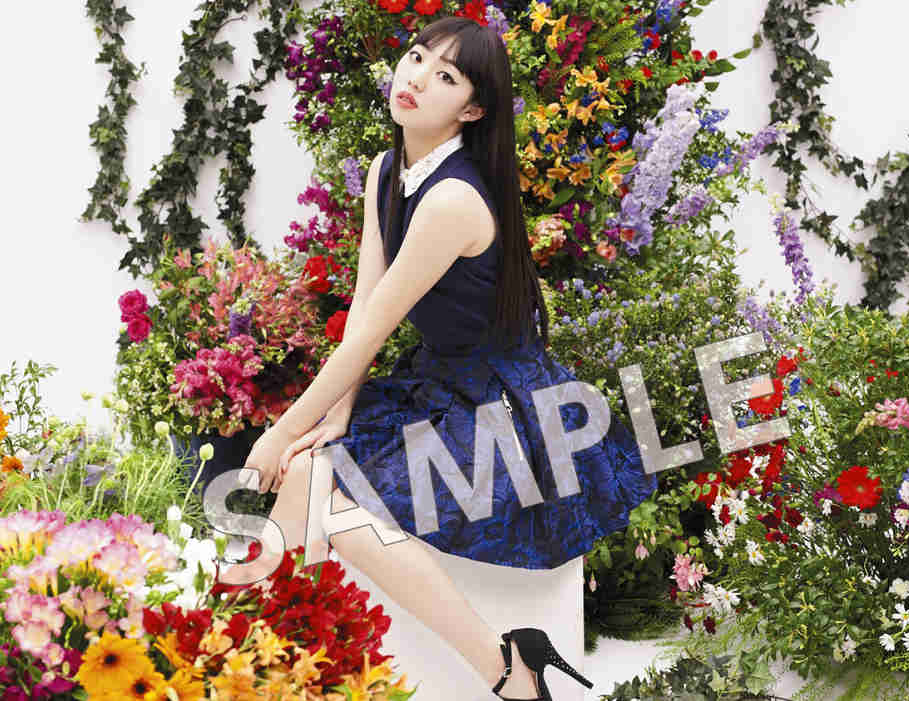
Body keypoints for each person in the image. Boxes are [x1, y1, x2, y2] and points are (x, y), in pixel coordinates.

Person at [223, 16, 657, 700]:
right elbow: (364, 312)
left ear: (473, 109)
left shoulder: (452, 199)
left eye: (447, 76)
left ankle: (504, 668)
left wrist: (279, 433)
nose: (418, 77)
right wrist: (333, 414)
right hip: (438, 386)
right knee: (308, 473)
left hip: (502, 410)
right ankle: (251, 658)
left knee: (320, 492)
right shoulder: (385, 169)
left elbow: (372, 331)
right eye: (418, 57)